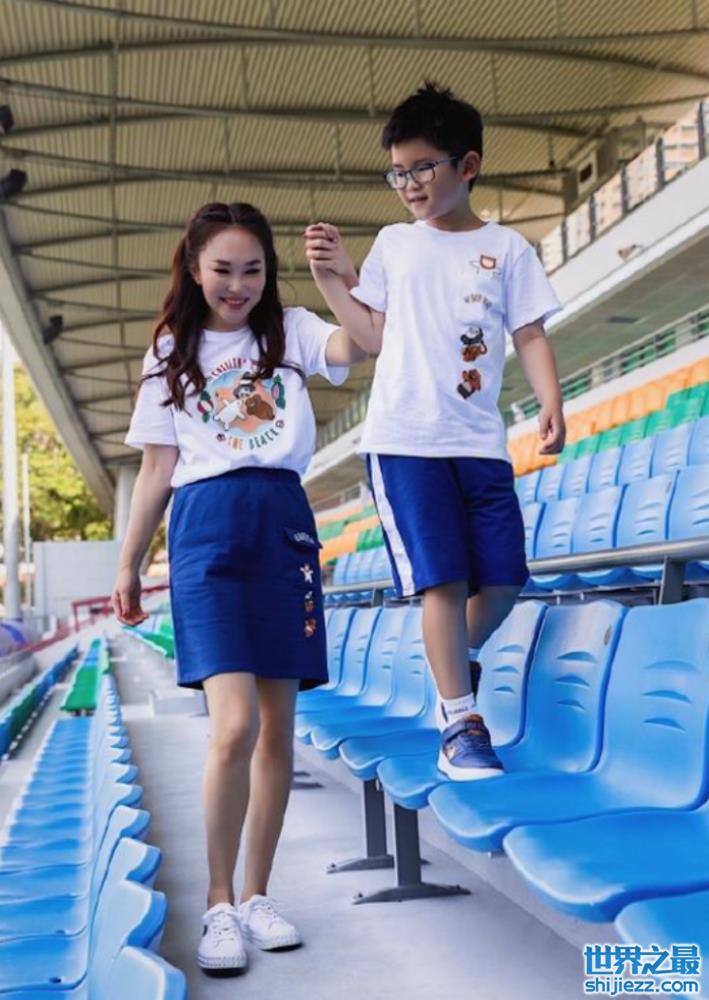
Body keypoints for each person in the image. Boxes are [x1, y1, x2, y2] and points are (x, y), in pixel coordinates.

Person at [111, 201, 366, 975]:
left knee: (277, 729)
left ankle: (257, 894)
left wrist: (339, 277)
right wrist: (128, 564)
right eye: (222, 269)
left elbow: (365, 341)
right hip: (205, 529)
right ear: (194, 269)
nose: (237, 284)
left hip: (282, 523)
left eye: (252, 269)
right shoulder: (171, 349)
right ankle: (218, 904)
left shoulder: (289, 328)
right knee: (233, 727)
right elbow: (156, 468)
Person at [304, 83, 565, 782]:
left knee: (503, 580)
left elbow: (529, 333)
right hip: (405, 442)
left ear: (467, 165)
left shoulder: (507, 249)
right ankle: (460, 724)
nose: (409, 184)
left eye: (422, 167)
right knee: (443, 582)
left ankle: (451, 661)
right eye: (397, 172)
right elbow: (370, 338)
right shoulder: (395, 244)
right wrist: (331, 280)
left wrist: (551, 401)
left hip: (479, 443)